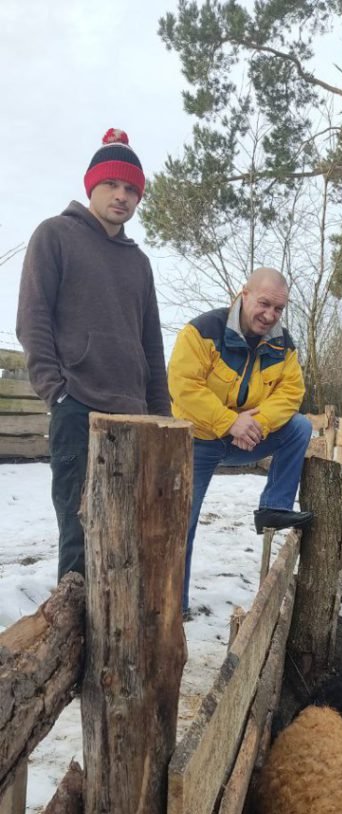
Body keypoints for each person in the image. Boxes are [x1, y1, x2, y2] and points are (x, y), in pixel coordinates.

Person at [16, 128, 170, 581]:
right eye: (112, 185)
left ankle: (127, 646)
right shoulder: (55, 236)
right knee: (81, 536)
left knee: (135, 536)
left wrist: (160, 415)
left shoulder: (138, 263)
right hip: (78, 407)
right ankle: (78, 643)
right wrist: (56, 394)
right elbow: (33, 319)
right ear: (92, 186)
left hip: (136, 416)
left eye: (132, 189)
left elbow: (151, 345)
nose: (122, 196)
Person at [169, 267, 313, 614]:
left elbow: (291, 392)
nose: (270, 315)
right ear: (243, 295)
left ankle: (274, 507)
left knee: (299, 427)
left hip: (246, 438)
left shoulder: (284, 345)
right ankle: (174, 607)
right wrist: (229, 421)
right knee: (180, 522)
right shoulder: (202, 331)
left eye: (279, 309)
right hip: (198, 439)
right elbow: (184, 388)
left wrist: (258, 424)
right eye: (264, 304)